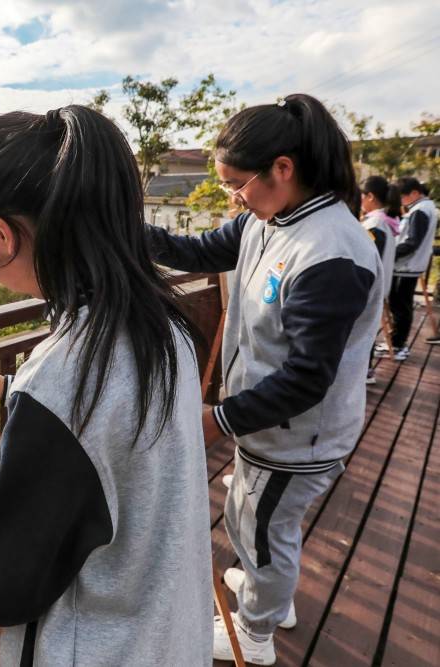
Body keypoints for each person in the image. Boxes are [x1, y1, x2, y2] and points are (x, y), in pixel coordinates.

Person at [0, 105, 212, 666]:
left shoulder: (64, 379)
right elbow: (112, 435)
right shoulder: (162, 324)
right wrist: (10, 389)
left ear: (0, 235)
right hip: (168, 635)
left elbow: (2, 592)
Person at [146, 93, 383, 665]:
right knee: (264, 521)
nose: (233, 197)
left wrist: (218, 419)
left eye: (237, 183)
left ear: (283, 168)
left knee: (259, 526)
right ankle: (271, 597)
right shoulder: (268, 219)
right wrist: (120, 230)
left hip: (299, 435)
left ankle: (254, 633)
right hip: (271, 424)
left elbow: (307, 379)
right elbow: (195, 251)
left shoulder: (330, 254)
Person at [375, 177, 437, 354]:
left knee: (400, 306)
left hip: (406, 266)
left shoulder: (420, 210)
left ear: (415, 194)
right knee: (402, 305)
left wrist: (389, 252)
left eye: (402, 197)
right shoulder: (426, 207)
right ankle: (398, 343)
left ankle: (398, 345)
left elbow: (412, 242)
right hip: (410, 265)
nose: (400, 201)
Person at [360, 175, 400, 384]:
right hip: (381, 284)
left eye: (362, 197)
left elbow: (367, 260)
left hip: (369, 289)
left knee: (362, 332)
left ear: (370, 197)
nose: (360, 201)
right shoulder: (386, 222)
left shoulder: (375, 224)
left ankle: (365, 371)